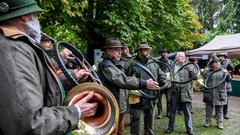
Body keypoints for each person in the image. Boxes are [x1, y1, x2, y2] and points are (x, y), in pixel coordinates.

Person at [0, 0, 98, 134]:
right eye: (36, 15)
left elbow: (39, 84)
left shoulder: (15, 46)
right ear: (26, 16)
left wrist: (74, 76)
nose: (38, 21)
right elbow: (29, 123)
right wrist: (77, 111)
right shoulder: (12, 49)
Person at [97, 38, 160, 135]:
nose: (119, 53)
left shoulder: (115, 64)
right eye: (116, 50)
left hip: (120, 105)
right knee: (112, 132)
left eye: (120, 50)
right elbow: (123, 79)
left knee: (120, 131)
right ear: (107, 50)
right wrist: (143, 83)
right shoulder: (107, 66)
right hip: (112, 106)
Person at [126, 42, 166, 135]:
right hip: (136, 97)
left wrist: (163, 80)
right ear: (139, 51)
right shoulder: (131, 63)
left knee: (149, 123)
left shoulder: (153, 62)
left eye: (147, 49)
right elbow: (124, 79)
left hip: (151, 97)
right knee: (136, 123)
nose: (146, 51)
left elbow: (161, 74)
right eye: (143, 49)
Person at [165, 52, 195, 135]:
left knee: (187, 111)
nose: (183, 58)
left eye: (184, 56)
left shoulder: (189, 65)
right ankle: (170, 128)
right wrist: (167, 81)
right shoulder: (172, 66)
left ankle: (189, 129)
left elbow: (195, 77)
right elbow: (167, 76)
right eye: (181, 56)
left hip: (185, 92)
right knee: (172, 111)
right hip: (174, 91)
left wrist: (191, 70)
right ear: (176, 58)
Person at [202, 54, 232, 129]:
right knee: (208, 109)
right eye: (216, 62)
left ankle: (220, 123)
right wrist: (205, 69)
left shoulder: (223, 71)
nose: (218, 63)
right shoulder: (207, 71)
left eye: (218, 62)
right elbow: (203, 78)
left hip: (219, 94)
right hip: (209, 93)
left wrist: (228, 74)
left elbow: (229, 79)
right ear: (212, 63)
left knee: (219, 110)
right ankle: (207, 122)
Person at [156, 48, 173, 118]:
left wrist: (171, 80)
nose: (164, 54)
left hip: (168, 83)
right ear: (160, 54)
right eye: (163, 52)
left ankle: (168, 112)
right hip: (159, 83)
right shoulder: (157, 62)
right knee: (159, 99)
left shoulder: (171, 62)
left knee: (169, 99)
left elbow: (173, 72)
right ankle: (160, 112)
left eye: (165, 52)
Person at [217, 52, 234, 119]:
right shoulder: (217, 63)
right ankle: (218, 113)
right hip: (218, 84)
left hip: (226, 85)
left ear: (225, 57)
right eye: (220, 56)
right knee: (218, 99)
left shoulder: (228, 63)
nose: (221, 57)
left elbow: (232, 69)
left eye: (222, 56)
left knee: (225, 100)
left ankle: (225, 113)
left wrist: (228, 62)